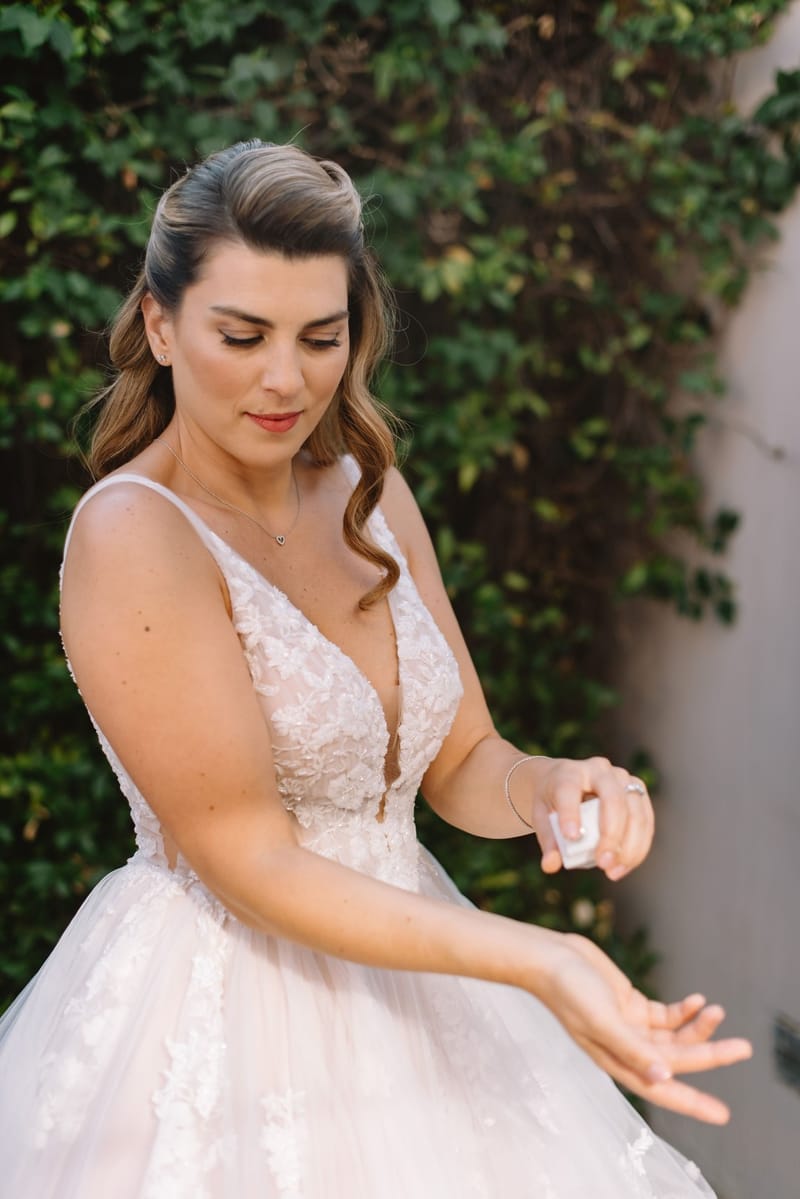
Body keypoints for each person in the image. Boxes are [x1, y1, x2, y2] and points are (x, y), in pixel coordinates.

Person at [0, 140, 750, 1197]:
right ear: (161, 326)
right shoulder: (134, 533)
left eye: (321, 336)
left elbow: (460, 761)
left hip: (422, 994)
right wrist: (539, 956)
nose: (285, 377)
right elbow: (249, 859)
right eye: (242, 334)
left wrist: (551, 787)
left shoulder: (367, 491)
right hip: (229, 1024)